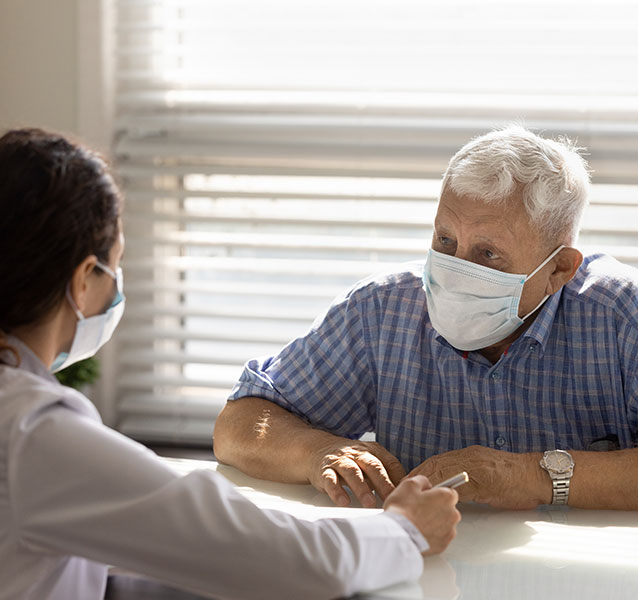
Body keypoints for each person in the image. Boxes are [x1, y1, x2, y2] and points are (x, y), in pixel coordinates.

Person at [0, 128, 462, 600]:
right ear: (82, 281)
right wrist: (405, 531)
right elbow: (285, 561)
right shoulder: (32, 434)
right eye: (114, 266)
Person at [215, 125, 638, 512]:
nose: (454, 269)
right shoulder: (381, 310)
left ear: (558, 270)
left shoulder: (623, 317)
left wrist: (533, 475)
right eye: (445, 239)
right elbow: (238, 426)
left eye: (487, 253)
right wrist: (316, 452)